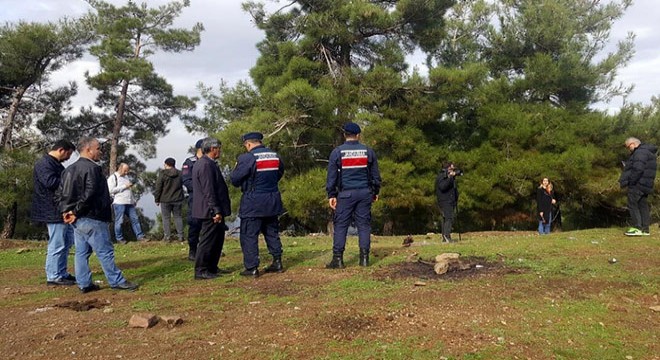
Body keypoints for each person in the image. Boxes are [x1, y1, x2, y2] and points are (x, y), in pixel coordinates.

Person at [57, 137, 138, 293]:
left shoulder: (68, 169)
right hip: (92, 216)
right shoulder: (92, 169)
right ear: (89, 150)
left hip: (77, 219)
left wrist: (67, 212)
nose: (101, 151)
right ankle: (117, 280)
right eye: (99, 148)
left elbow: (61, 194)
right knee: (105, 250)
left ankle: (84, 283)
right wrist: (76, 211)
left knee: (82, 252)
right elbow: (90, 194)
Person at [325, 122, 381, 268]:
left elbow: (331, 177)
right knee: (364, 225)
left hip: (345, 194)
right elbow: (375, 176)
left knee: (341, 225)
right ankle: (364, 259)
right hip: (364, 193)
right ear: (358, 135)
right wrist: (375, 192)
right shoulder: (368, 151)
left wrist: (331, 195)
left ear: (345, 135)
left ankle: (338, 259)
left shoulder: (337, 152)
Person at [230, 132, 285, 277]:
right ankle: (277, 261)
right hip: (272, 199)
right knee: (272, 232)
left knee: (249, 235)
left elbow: (235, 180)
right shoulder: (275, 155)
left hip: (253, 201)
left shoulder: (247, 158)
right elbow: (280, 173)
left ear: (248, 144)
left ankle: (252, 267)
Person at [31, 139, 77, 286]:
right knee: (57, 244)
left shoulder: (55, 164)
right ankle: (53, 276)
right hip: (52, 209)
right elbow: (50, 183)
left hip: (60, 208)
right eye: (69, 154)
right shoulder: (44, 164)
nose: (69, 157)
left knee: (65, 243)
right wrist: (70, 182)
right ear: (61, 150)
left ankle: (62, 272)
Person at [191, 137, 231, 280]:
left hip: (211, 209)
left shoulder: (207, 163)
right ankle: (201, 270)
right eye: (218, 148)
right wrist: (215, 210)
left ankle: (212, 267)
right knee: (207, 241)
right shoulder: (205, 165)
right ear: (213, 149)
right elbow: (209, 190)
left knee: (217, 239)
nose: (220, 150)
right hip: (209, 211)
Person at [619, 137, 658, 236]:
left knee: (632, 204)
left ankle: (637, 227)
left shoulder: (639, 153)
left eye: (628, 147)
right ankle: (645, 229)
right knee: (642, 205)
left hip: (638, 183)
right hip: (646, 184)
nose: (628, 149)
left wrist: (631, 181)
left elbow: (638, 169)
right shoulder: (648, 152)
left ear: (633, 144)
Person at [107, 163, 145, 243]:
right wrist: (124, 186)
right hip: (119, 202)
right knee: (119, 221)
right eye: (125, 171)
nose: (126, 172)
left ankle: (140, 236)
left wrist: (133, 200)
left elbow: (129, 190)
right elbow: (110, 190)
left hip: (129, 202)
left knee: (135, 219)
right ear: (120, 168)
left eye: (127, 171)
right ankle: (119, 238)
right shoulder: (113, 178)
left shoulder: (126, 177)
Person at [181, 139, 204, 260]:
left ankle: (208, 249)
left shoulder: (211, 162)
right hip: (195, 197)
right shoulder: (189, 162)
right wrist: (201, 189)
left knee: (209, 225)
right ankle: (193, 251)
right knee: (195, 224)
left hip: (208, 198)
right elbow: (186, 180)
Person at [154, 157, 185, 242]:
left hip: (165, 199)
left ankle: (167, 237)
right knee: (178, 217)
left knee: (166, 218)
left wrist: (157, 199)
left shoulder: (163, 174)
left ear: (166, 164)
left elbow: (158, 187)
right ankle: (180, 236)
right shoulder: (180, 173)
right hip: (178, 198)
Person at [435, 161, 459, 242]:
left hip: (450, 200)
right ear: (448, 168)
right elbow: (443, 187)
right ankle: (446, 236)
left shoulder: (448, 176)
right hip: (445, 200)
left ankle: (445, 238)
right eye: (452, 168)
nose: (453, 170)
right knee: (448, 218)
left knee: (446, 218)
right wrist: (450, 178)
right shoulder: (441, 176)